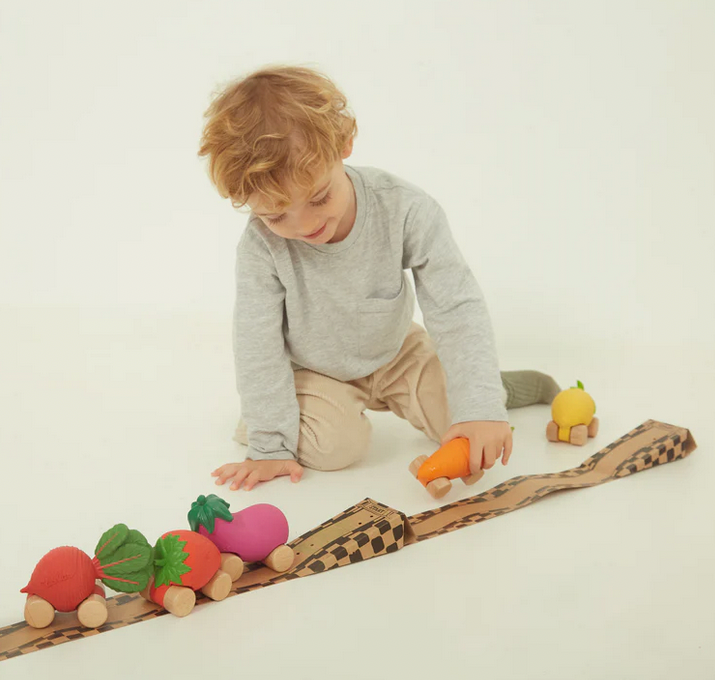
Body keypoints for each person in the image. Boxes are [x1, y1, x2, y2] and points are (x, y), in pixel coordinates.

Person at [198, 65, 559, 491]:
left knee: (464, 417)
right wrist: (270, 444)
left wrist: (478, 407)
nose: (303, 224)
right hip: (316, 368)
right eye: (276, 214)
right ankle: (275, 413)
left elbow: (455, 305)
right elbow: (256, 342)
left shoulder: (405, 209)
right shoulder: (262, 246)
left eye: (318, 197)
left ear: (344, 144)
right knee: (338, 447)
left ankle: (490, 389)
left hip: (395, 351)